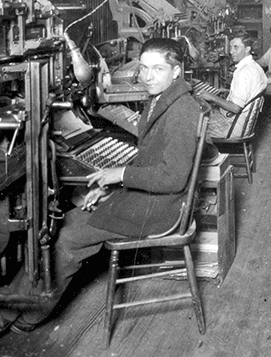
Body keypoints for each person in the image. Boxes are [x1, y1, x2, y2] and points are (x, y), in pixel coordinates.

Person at [0, 38, 205, 334]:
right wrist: (109, 189)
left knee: (67, 237)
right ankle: (15, 309)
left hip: (162, 210)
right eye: (144, 68)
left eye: (157, 69)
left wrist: (119, 176)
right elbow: (149, 160)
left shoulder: (182, 111)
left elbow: (172, 178)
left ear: (176, 71)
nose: (147, 76)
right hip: (149, 200)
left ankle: (24, 316)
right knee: (65, 223)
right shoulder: (162, 100)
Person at [197, 30, 266, 138]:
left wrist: (212, 97)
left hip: (232, 127)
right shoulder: (256, 67)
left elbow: (235, 108)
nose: (231, 51)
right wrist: (229, 93)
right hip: (243, 124)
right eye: (230, 47)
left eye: (236, 47)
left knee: (191, 123)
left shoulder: (243, 73)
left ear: (247, 49)